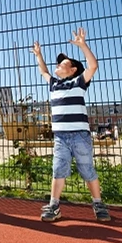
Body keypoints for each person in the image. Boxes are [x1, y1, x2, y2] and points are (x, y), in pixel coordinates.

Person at [30, 28, 111, 222]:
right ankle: (54, 205)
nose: (58, 64)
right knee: (58, 170)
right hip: (60, 138)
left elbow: (93, 66)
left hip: (80, 136)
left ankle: (98, 203)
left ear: (73, 69)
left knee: (87, 170)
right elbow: (43, 71)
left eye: (63, 62)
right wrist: (39, 55)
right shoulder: (53, 84)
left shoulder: (79, 82)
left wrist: (82, 45)